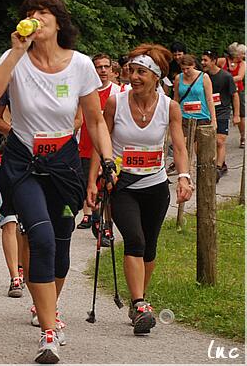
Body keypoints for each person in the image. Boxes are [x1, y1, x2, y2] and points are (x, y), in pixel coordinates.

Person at [0, 0, 114, 364]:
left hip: (65, 163)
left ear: (59, 21)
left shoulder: (81, 64)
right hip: (23, 161)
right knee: (39, 237)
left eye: (43, 12)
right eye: (29, 13)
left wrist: (108, 158)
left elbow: (95, 120)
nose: (36, 18)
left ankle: (47, 307)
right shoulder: (13, 59)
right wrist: (16, 54)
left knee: (60, 243)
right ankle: (49, 330)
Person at [87, 43, 193, 335]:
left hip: (156, 185)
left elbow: (179, 146)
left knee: (150, 246)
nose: (133, 77)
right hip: (122, 184)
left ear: (156, 76)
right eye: (131, 71)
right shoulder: (115, 103)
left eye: (141, 72)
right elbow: (101, 140)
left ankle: (138, 305)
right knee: (134, 239)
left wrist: (184, 176)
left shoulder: (169, 107)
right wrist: (94, 179)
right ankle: (140, 301)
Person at [76, 54, 122, 245]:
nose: (102, 71)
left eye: (106, 67)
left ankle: (106, 227)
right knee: (90, 190)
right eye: (98, 67)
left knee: (108, 191)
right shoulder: (84, 92)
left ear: (112, 70)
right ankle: (96, 220)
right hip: (84, 149)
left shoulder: (119, 93)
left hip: (109, 151)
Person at [0, 96, 26, 298]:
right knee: (8, 220)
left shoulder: (29, 105)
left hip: (26, 170)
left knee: (25, 224)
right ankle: (15, 278)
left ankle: (22, 267)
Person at [201, 50, 240, 181]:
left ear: (214, 60)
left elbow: (235, 96)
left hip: (223, 111)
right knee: (209, 142)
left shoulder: (226, 76)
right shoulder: (203, 76)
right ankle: (219, 163)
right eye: (202, 60)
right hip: (207, 112)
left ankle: (217, 169)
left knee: (219, 141)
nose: (202, 63)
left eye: (205, 60)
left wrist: (236, 114)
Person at [172, 54, 217, 155]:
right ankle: (186, 168)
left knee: (200, 149)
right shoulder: (179, 78)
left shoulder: (204, 77)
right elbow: (176, 99)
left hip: (201, 116)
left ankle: (200, 168)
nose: (186, 71)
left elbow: (210, 99)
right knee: (184, 145)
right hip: (184, 116)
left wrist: (213, 120)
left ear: (193, 65)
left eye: (188, 68)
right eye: (183, 69)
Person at [217, 42, 245, 148]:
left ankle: (243, 137)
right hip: (224, 91)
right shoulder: (222, 61)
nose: (244, 56)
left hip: (238, 90)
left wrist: (224, 79)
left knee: (241, 114)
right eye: (242, 54)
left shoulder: (242, 64)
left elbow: (240, 77)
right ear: (236, 53)